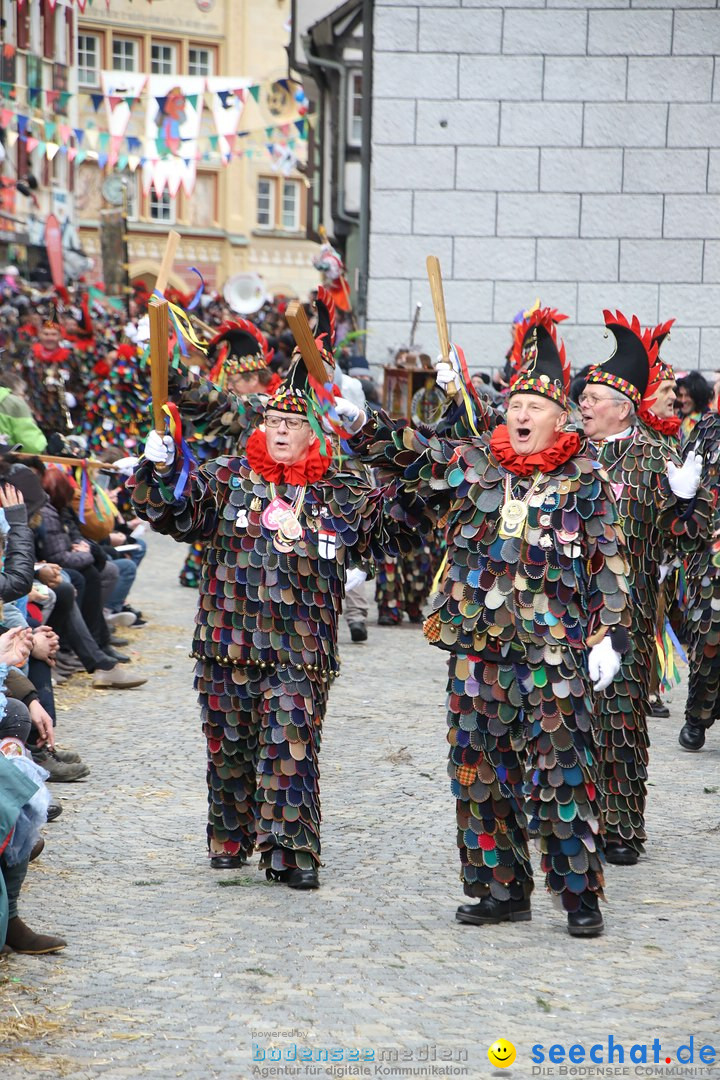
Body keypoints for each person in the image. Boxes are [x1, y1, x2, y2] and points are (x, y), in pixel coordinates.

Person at [351, 308, 632, 937]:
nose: (523, 415)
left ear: (562, 420)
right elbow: (413, 456)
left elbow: (610, 562)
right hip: (477, 650)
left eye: (536, 407)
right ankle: (501, 890)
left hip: (554, 654)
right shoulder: (476, 464)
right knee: (480, 774)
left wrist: (609, 632)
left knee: (563, 775)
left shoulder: (586, 481)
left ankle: (579, 896)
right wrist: (359, 420)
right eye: (515, 405)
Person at [129, 352, 416, 889]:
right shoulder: (226, 477)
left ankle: (290, 852)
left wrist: (389, 447)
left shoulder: (341, 490)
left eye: (294, 423)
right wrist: (162, 468)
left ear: (315, 433)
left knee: (290, 749)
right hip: (225, 642)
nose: (282, 430)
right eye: (274, 421)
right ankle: (229, 838)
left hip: (301, 652)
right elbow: (172, 512)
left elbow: (400, 522)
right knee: (230, 751)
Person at [579, 310, 711, 865]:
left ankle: (622, 829)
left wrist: (686, 500)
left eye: (592, 397)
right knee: (566, 721)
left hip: (626, 616)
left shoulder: (656, 456)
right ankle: (570, 823)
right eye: (581, 396)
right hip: (560, 609)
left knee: (620, 724)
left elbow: (686, 537)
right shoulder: (567, 453)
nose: (581, 404)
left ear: (622, 407)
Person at [676, 370, 712, 441]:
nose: (683, 400)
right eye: (680, 395)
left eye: (688, 395)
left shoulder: (709, 422)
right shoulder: (676, 418)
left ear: (697, 396)